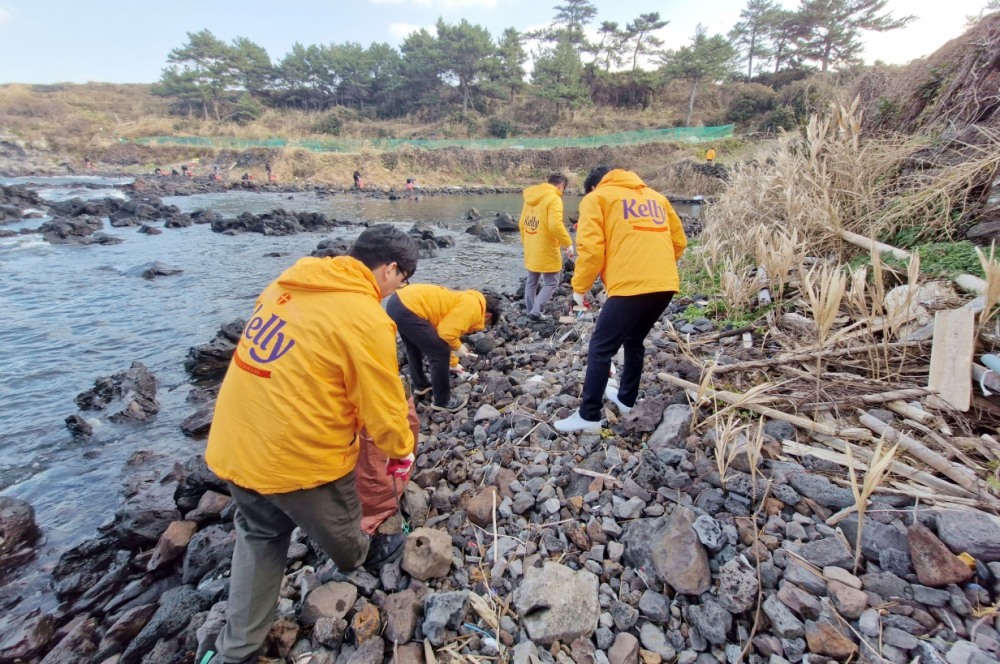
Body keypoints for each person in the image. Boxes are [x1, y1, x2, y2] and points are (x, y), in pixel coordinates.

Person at [203, 224, 419, 664]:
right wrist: (401, 449)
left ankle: (236, 651)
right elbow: (383, 406)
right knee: (345, 539)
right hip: (297, 459)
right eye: (403, 279)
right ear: (390, 269)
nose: (399, 288)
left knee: (261, 531)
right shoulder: (365, 317)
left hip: (235, 441)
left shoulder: (288, 283)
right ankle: (361, 555)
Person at [554, 166, 687, 434]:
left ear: (594, 187)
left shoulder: (597, 199)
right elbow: (679, 243)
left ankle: (589, 416)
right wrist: (655, 268)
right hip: (665, 284)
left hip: (630, 286)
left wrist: (579, 288)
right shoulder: (657, 198)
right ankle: (626, 399)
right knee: (634, 339)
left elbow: (591, 251)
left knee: (600, 348)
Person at [385, 284, 501, 412]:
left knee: (413, 347)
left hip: (396, 303)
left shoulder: (469, 299)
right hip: (407, 309)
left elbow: (439, 333)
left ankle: (421, 385)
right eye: (487, 323)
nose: (483, 326)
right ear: (488, 316)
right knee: (439, 353)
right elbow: (446, 334)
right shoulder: (473, 308)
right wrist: (458, 347)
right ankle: (442, 401)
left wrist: (453, 363)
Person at [518, 173, 574, 320]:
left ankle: (531, 311)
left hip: (531, 244)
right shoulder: (554, 199)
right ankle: (536, 312)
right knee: (551, 282)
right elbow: (555, 225)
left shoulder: (530, 198)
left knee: (532, 281)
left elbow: (522, 223)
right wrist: (567, 243)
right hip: (546, 247)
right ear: (561, 186)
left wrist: (526, 241)